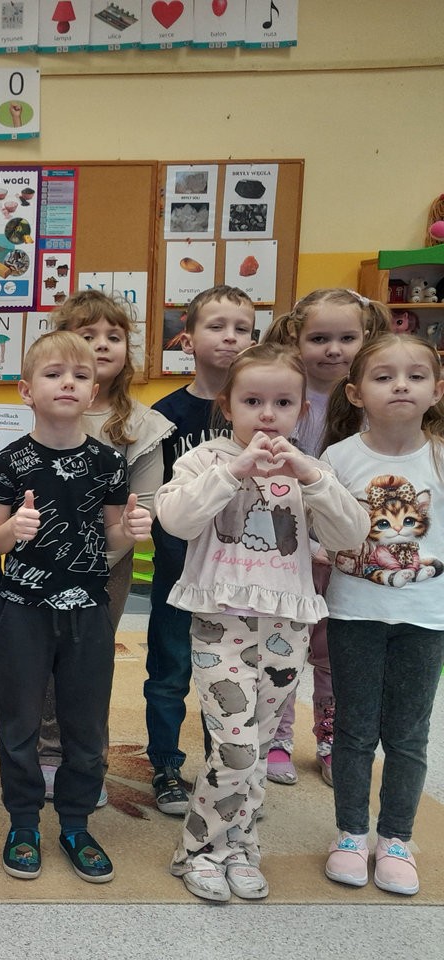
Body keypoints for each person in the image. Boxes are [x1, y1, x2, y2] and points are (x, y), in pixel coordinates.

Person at [155, 342, 366, 902]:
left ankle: (241, 845)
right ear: (228, 405)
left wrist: (312, 478)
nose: (267, 415)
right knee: (236, 747)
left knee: (258, 746)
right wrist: (233, 471)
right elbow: (175, 520)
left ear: (301, 410)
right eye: (252, 401)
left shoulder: (311, 470)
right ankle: (199, 850)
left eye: (282, 403)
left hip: (285, 628)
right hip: (221, 627)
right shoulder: (206, 460)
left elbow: (350, 535)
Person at [0, 331, 151, 887]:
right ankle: (23, 822)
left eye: (80, 376)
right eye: (54, 374)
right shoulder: (10, 460)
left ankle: (76, 824)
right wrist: (14, 528)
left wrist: (133, 528)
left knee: (86, 723)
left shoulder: (107, 461)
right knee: (19, 723)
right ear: (26, 390)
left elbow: (112, 534)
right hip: (22, 610)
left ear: (94, 391)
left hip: (88, 612)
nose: (68, 383)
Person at [37, 291, 176, 804]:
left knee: (89, 662)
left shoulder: (141, 425)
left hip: (106, 568)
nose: (101, 345)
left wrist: (91, 559)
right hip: (40, 564)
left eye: (113, 336)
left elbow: (146, 505)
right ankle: (46, 752)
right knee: (42, 660)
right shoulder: (44, 412)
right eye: (87, 334)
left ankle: (86, 759)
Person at [321, 334, 444, 897]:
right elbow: (322, 531)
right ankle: (350, 833)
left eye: (416, 376)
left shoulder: (439, 456)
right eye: (384, 376)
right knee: (354, 728)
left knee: (408, 733)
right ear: (356, 393)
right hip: (356, 613)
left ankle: (396, 838)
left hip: (426, 617)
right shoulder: (339, 458)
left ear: (436, 391)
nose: (401, 385)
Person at [258, 289, 390, 785]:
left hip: (344, 550)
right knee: (282, 644)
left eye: (347, 338)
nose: (333, 349)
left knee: (332, 652)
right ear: (296, 336)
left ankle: (331, 736)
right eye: (319, 338)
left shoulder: (368, 404)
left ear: (366, 337)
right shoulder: (280, 394)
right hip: (284, 547)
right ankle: (276, 737)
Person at [145, 285, 256, 815]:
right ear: (186, 339)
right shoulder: (164, 416)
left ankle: (224, 767)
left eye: (242, 328)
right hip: (177, 569)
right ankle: (165, 764)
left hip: (236, 575)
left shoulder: (257, 411)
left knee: (231, 675)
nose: (230, 337)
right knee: (170, 671)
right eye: (217, 326)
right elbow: (156, 497)